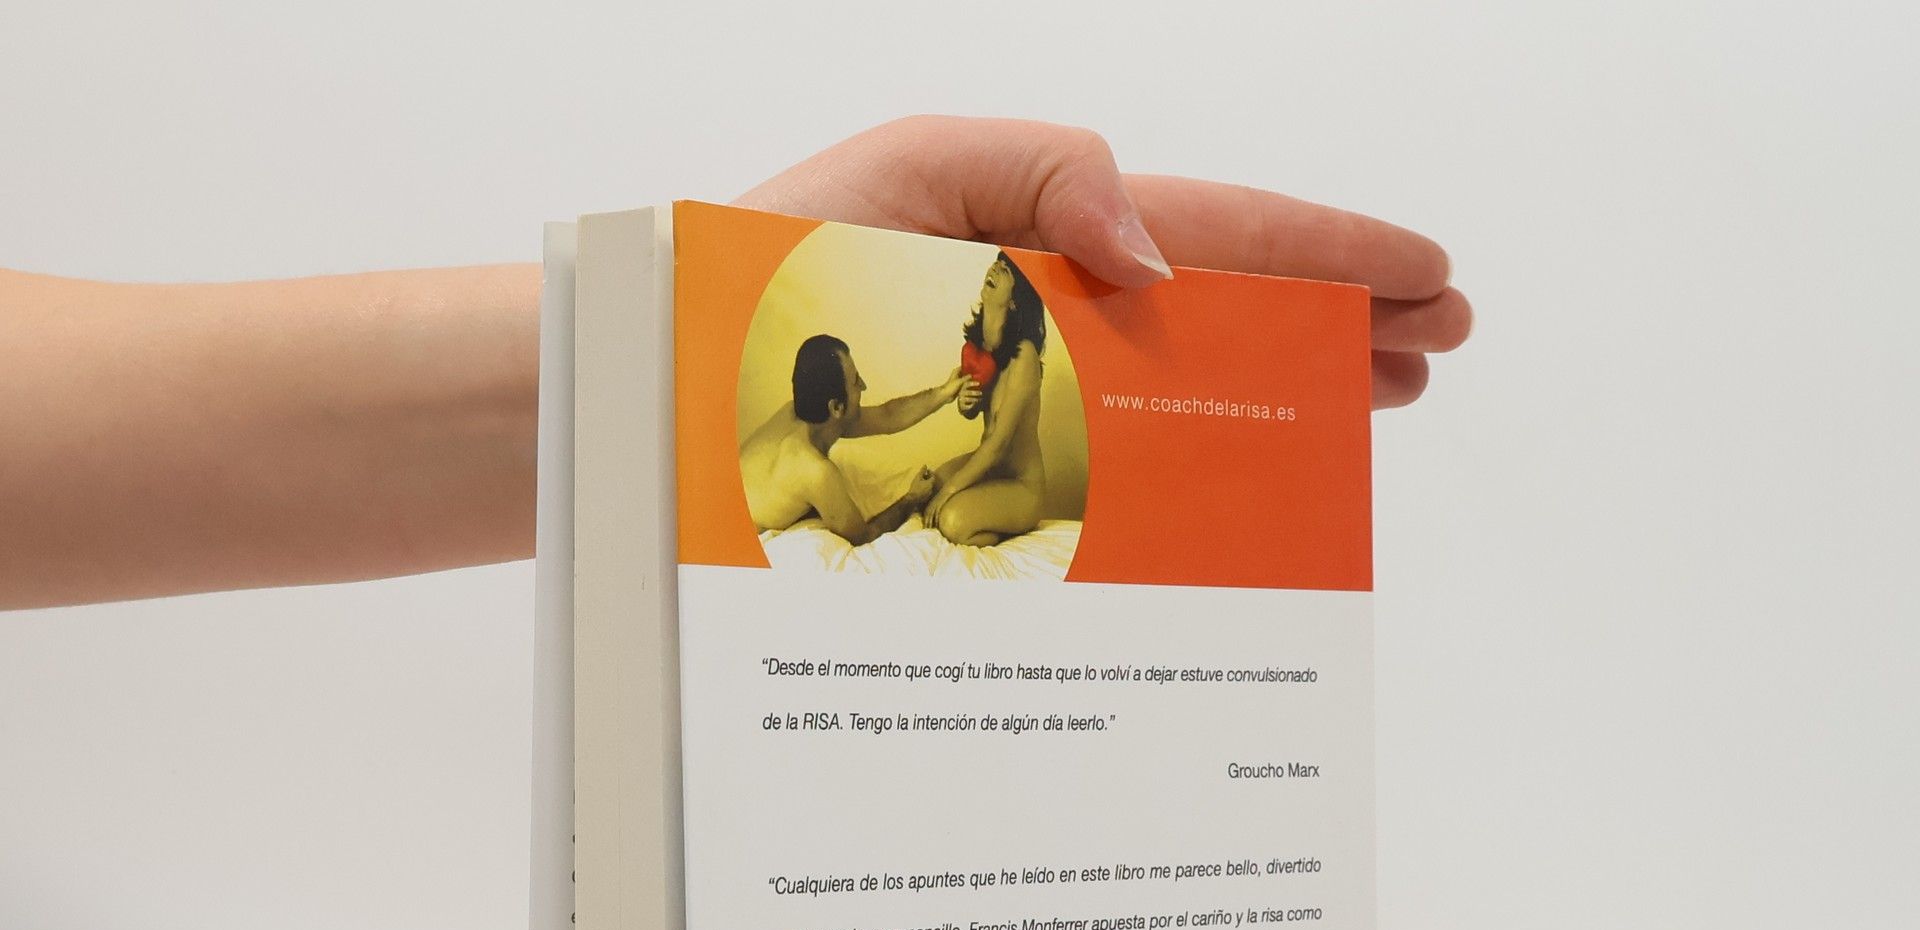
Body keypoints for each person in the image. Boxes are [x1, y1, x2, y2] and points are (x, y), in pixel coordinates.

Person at [0, 117, 1471, 611]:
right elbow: (885, 465)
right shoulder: (818, 464)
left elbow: (900, 412)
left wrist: (693, 324)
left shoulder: (845, 419)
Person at [739, 333, 961, 543]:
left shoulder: (798, 413)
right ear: (836, 407)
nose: (863, 385)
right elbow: (863, 536)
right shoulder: (816, 471)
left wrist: (944, 393)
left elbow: (888, 416)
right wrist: (912, 498)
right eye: (855, 381)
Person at [925, 251, 1051, 546]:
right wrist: (964, 403)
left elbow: (999, 444)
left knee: (951, 519)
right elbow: (977, 412)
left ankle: (1008, 529)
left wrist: (950, 492)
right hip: (992, 469)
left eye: (1006, 269)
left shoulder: (1024, 356)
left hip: (1021, 485)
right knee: (933, 484)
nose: (995, 267)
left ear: (1015, 299)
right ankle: (986, 516)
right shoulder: (983, 347)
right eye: (997, 262)